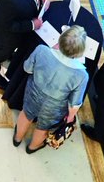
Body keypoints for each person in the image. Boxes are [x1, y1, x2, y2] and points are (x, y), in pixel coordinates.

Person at [14, 25, 88, 153]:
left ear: (61, 39)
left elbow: (27, 68)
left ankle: (17, 138)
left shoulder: (41, 50)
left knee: (26, 114)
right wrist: (70, 117)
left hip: (33, 93)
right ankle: (33, 147)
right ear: (80, 51)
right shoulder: (82, 75)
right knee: (44, 127)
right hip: (55, 107)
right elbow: (74, 104)